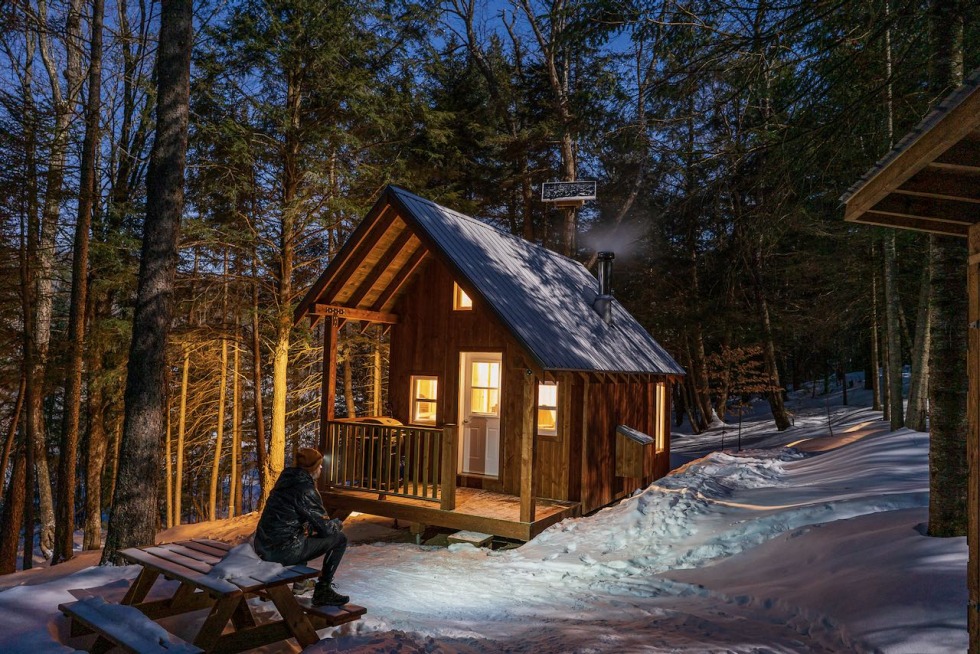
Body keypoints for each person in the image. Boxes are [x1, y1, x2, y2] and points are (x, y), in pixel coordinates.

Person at [253, 447, 349, 606]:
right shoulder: (305, 489)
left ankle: (300, 583)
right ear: (312, 468)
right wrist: (337, 524)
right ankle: (323, 590)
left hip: (263, 546)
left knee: (303, 533)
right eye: (319, 465)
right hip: (282, 552)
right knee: (339, 539)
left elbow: (294, 521)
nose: (321, 468)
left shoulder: (286, 481)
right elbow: (326, 528)